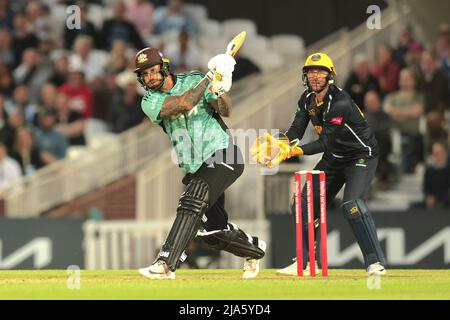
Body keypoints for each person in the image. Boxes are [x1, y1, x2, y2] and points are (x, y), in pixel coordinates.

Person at [134, 47, 266, 280]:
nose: (150, 78)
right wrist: (210, 77)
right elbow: (183, 104)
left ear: (165, 68)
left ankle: (165, 263)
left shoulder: (193, 79)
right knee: (214, 233)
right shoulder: (150, 101)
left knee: (192, 199)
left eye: (154, 71)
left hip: (224, 154)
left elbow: (226, 109)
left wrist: (220, 89)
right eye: (145, 74)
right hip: (194, 167)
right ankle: (254, 249)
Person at [251, 52, 386, 276]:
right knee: (302, 205)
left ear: (329, 75)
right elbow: (295, 132)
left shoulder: (340, 102)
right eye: (310, 72)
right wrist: (277, 143)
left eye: (319, 72)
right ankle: (305, 262)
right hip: (334, 158)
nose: (314, 76)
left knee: (351, 204)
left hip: (360, 155)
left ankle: (375, 262)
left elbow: (325, 141)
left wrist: (293, 150)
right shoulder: (306, 99)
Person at [423, 141, 450, 209]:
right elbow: (426, 188)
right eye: (435, 153)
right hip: (432, 201)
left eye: (439, 153)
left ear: (445, 153)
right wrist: (428, 196)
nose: (437, 156)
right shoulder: (429, 170)